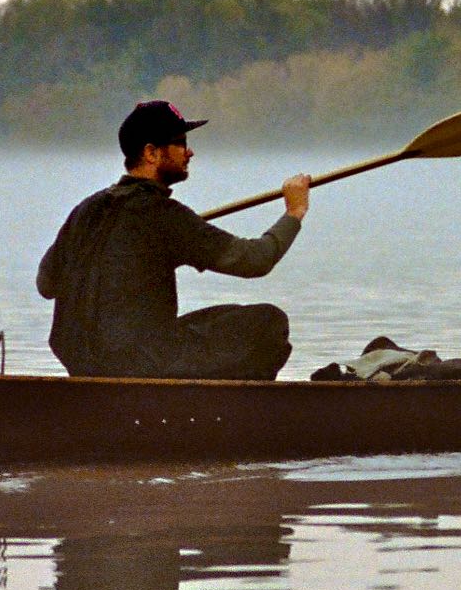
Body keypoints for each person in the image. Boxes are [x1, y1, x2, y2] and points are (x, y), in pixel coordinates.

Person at [37, 100, 313, 380]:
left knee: (216, 321)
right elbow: (256, 260)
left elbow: (46, 285)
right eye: (180, 143)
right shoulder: (162, 214)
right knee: (269, 322)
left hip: (82, 364)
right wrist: (294, 212)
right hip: (139, 364)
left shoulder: (85, 210)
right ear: (151, 153)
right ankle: (226, 405)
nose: (189, 152)